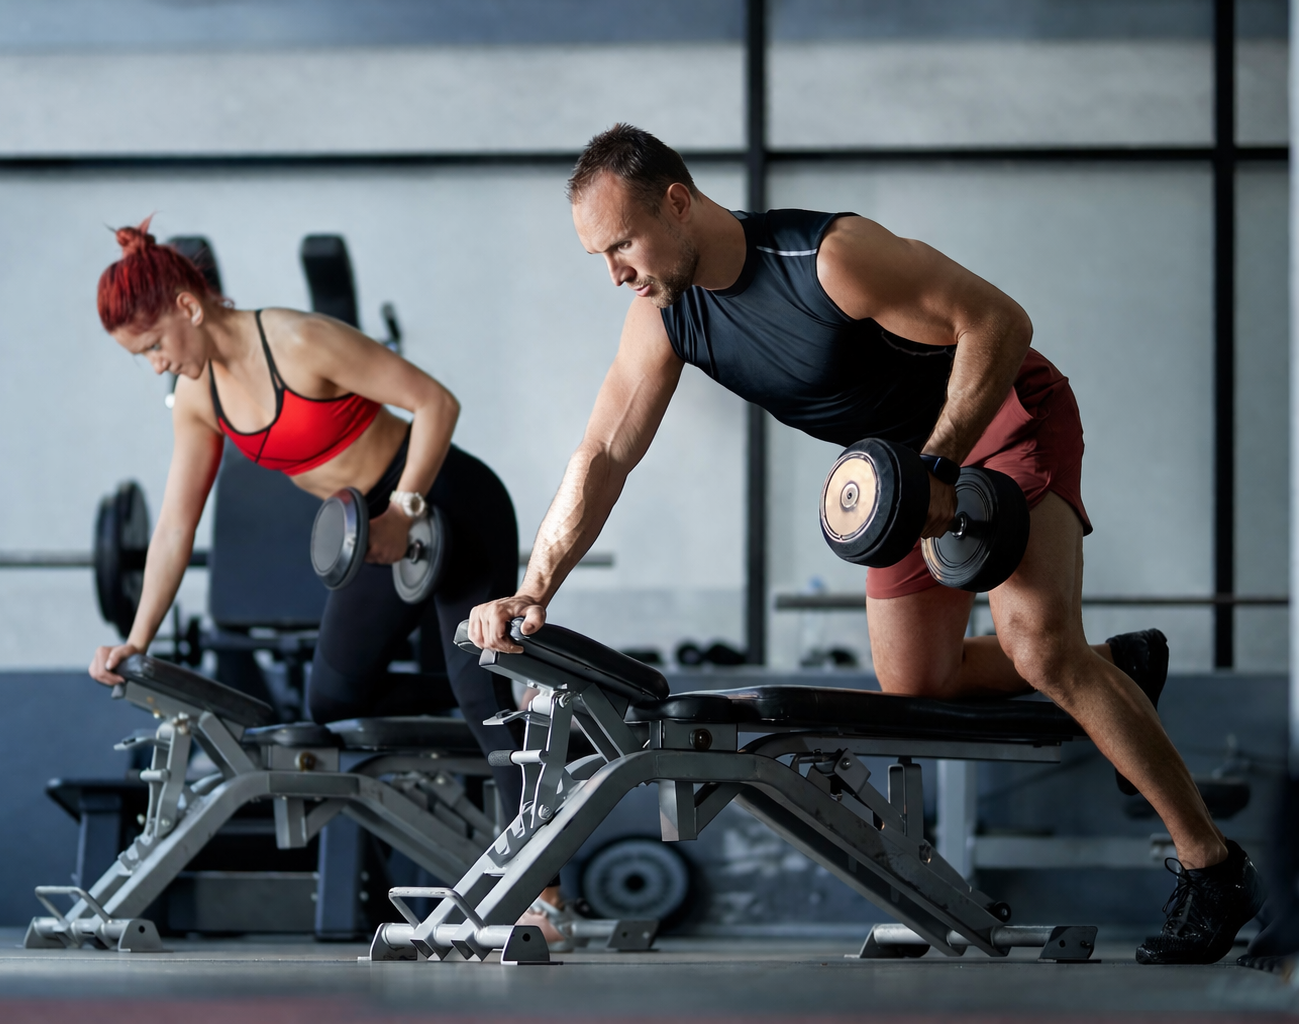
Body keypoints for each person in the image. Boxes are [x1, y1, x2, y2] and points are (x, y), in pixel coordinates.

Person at [469, 124, 1264, 965]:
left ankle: (1211, 865)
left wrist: (939, 465)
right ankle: (1119, 664)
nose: (615, 273)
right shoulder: (663, 320)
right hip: (894, 474)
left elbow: (997, 320)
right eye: (599, 256)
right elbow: (601, 455)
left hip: (995, 416)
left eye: (620, 244)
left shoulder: (829, 257)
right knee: (917, 681)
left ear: (677, 202)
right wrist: (536, 587)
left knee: (1039, 646)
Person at [87, 219, 523, 820]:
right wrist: (137, 642)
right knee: (336, 700)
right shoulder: (197, 399)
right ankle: (510, 699)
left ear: (187, 306)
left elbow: (435, 403)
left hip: (447, 495)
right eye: (144, 358)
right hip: (374, 524)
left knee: (479, 691)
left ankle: (547, 899)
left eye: (154, 345)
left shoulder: (298, 341)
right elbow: (174, 528)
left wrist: (405, 507)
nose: (158, 363)